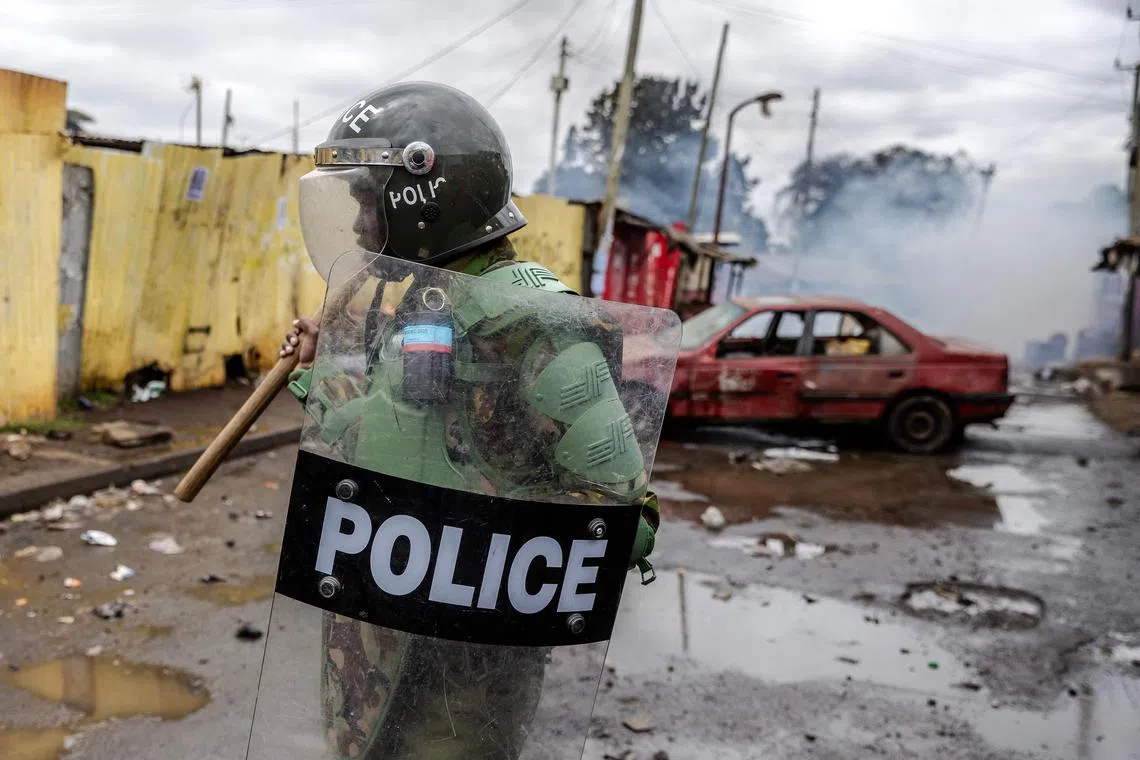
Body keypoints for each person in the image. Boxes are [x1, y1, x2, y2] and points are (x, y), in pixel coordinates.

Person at [275, 81, 663, 760]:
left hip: (462, 694)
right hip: (376, 663)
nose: (362, 223)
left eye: (369, 200)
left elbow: (624, 521)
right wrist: (316, 372)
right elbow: (389, 432)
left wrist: (481, 543)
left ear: (425, 197)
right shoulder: (429, 303)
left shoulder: (539, 328)